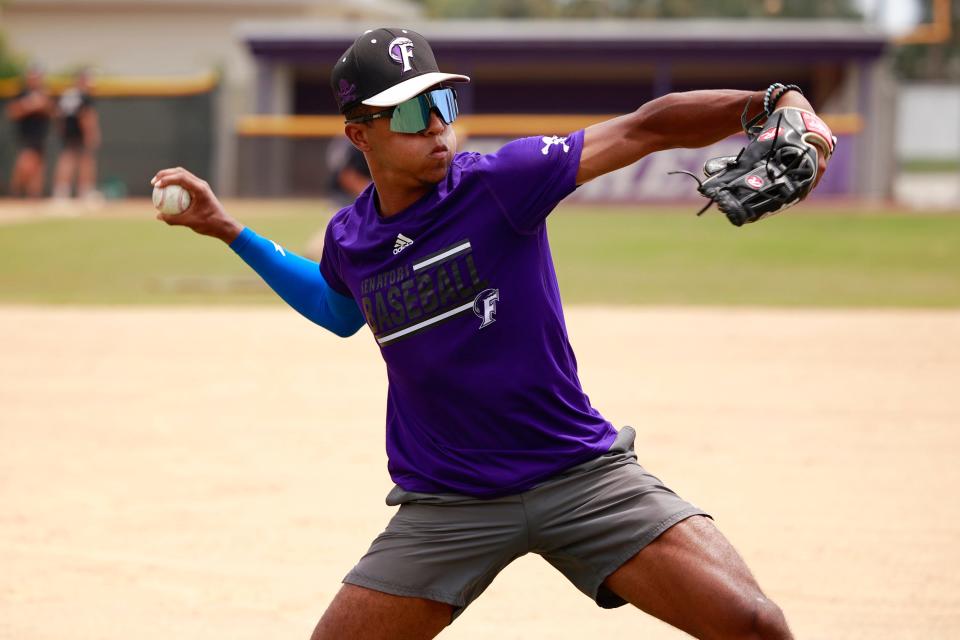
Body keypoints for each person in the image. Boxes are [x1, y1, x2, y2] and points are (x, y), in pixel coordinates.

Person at [153, 28, 831, 639]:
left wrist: (776, 100)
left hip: (578, 475)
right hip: (448, 502)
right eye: (415, 115)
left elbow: (647, 127)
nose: (439, 130)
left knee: (756, 625)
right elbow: (338, 310)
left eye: (444, 106)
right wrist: (224, 228)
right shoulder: (351, 238)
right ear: (361, 133)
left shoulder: (504, 182)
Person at [52, 68, 101, 202]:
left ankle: (61, 191)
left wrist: (62, 131)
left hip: (68, 131)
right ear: (81, 81)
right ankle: (85, 191)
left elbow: (58, 115)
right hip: (79, 131)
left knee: (67, 158)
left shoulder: (67, 94)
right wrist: (90, 134)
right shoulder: (83, 95)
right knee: (86, 159)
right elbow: (85, 116)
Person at [6, 66, 53, 198]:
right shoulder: (22, 93)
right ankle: (15, 193)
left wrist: (43, 105)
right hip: (26, 134)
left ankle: (34, 197)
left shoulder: (44, 93)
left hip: (41, 134)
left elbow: (52, 111)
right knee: (25, 164)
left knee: (39, 166)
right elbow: (12, 112)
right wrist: (29, 105)